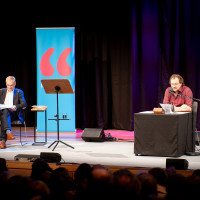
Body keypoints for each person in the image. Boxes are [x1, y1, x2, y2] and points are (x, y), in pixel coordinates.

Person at [0, 76, 27, 149]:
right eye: (8, 85)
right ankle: (8, 132)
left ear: (15, 84)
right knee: (5, 111)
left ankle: (3, 141)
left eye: (11, 85)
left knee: (4, 115)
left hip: (14, 114)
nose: (10, 87)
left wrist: (15, 106)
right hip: (3, 113)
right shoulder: (1, 91)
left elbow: (24, 104)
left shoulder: (19, 92)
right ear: (6, 84)